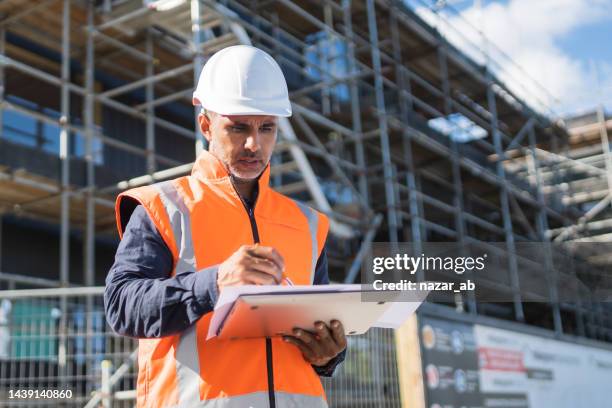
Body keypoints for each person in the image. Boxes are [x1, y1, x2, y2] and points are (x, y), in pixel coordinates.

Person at [104, 45, 347, 408]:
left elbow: (317, 328)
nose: (254, 144)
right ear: (206, 125)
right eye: (238, 128)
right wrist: (215, 283)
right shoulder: (164, 207)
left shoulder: (308, 224)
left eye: (267, 128)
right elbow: (122, 307)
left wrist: (330, 355)